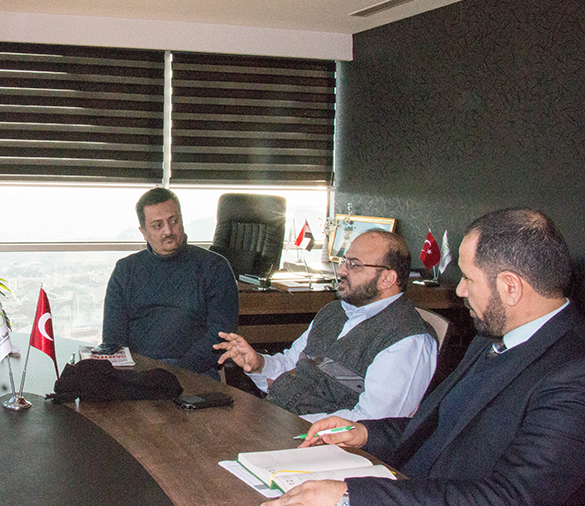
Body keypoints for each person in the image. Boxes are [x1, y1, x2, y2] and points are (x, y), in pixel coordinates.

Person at [275, 208, 585, 506]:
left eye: (468, 278)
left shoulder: (573, 374)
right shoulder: (491, 337)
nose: (460, 291)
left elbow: (511, 498)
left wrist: (351, 497)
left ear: (510, 287)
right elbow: (437, 427)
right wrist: (366, 433)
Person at [215, 230, 437, 421]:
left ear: (387, 279)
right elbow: (291, 364)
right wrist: (258, 364)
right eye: (344, 261)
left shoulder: (409, 340)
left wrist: (288, 424)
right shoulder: (334, 312)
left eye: (354, 265)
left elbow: (373, 423)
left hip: (319, 444)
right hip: (277, 418)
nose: (341, 271)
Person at [102, 187, 238, 376]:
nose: (168, 231)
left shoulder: (214, 267)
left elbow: (220, 336)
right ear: (143, 232)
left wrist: (176, 373)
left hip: (194, 373)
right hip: (138, 373)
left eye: (174, 221)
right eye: (158, 225)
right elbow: (113, 340)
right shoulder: (125, 270)